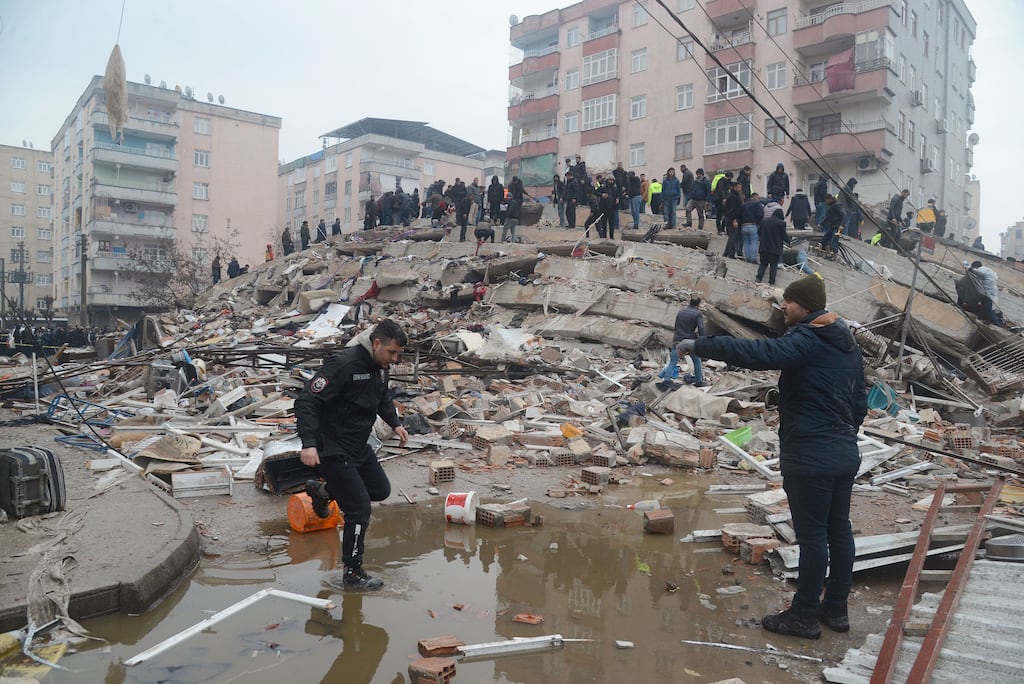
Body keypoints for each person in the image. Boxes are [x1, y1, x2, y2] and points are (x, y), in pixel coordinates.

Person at [680, 276, 866, 639]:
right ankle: (836, 610)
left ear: (805, 305)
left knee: (813, 537)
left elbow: (760, 354)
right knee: (838, 531)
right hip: (844, 451)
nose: (783, 307)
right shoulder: (846, 344)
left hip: (811, 453)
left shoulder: (807, 338)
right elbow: (859, 401)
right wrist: (840, 430)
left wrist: (700, 345)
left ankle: (804, 617)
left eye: (789, 301)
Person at [295, 319, 410, 591]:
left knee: (380, 490)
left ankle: (323, 491)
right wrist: (308, 443)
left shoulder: (380, 367)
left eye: (398, 355)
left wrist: (395, 423)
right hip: (333, 446)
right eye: (392, 352)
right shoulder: (344, 364)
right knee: (359, 509)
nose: (394, 359)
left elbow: (381, 395)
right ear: (377, 343)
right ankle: (353, 572)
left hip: (358, 444)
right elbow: (307, 401)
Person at [661, 297, 706, 387]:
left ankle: (666, 380)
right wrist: (703, 339)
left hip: (677, 339)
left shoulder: (681, 312)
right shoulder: (697, 314)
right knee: (697, 361)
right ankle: (699, 382)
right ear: (698, 304)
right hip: (690, 341)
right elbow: (701, 328)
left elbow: (676, 325)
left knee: (673, 361)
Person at [756, 208, 788, 286]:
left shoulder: (764, 221)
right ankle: (771, 282)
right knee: (773, 266)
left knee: (763, 264)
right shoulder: (781, 223)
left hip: (764, 247)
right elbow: (784, 236)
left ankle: (758, 279)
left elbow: (759, 232)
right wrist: (788, 241)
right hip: (775, 249)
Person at [968, 260, 1002, 325]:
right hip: (988, 293)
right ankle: (978, 317)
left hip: (987, 294)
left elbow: (980, 273)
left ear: (976, 267)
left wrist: (970, 269)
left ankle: (997, 323)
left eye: (974, 267)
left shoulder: (982, 270)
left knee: (988, 310)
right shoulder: (988, 270)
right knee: (984, 308)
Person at [738, 191, 764, 263]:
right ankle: (752, 259)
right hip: (753, 225)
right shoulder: (757, 204)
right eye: (758, 198)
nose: (759, 199)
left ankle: (748, 258)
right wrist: (758, 223)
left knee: (746, 242)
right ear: (755, 197)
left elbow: (739, 215)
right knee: (753, 242)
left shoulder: (744, 204)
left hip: (744, 225)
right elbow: (760, 215)